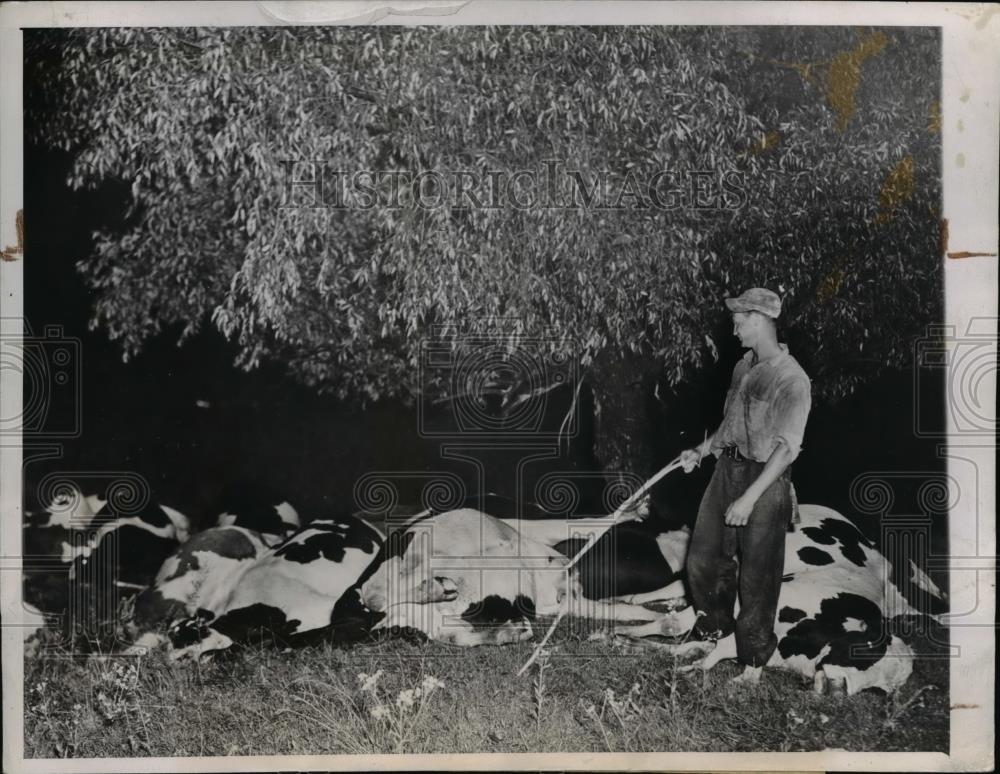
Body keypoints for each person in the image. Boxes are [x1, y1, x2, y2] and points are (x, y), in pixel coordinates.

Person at [679, 287, 811, 685]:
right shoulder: (743, 367)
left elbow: (788, 449)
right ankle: (714, 635)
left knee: (758, 574)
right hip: (727, 470)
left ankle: (753, 661)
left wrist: (750, 499)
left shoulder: (792, 380)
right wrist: (700, 451)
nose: (734, 329)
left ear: (758, 320)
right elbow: (728, 426)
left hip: (766, 481)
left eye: (739, 321)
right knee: (703, 560)